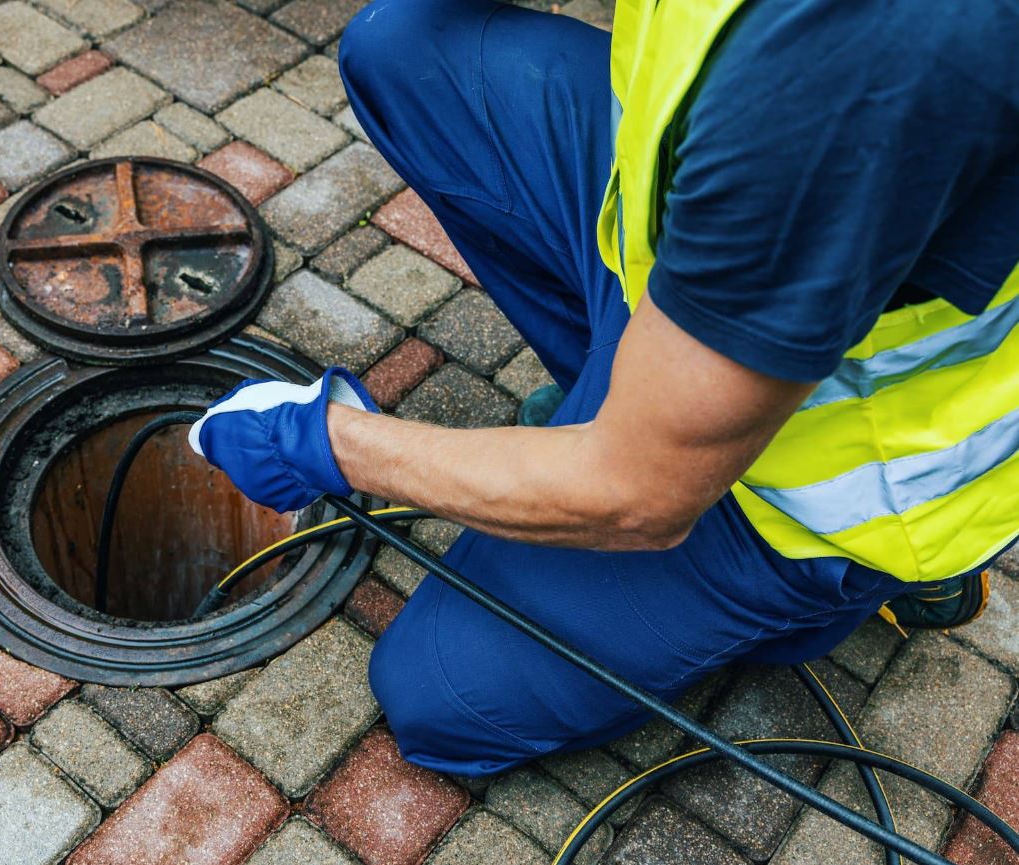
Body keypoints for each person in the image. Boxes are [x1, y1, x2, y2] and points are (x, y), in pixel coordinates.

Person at [189, 0, 1019, 777]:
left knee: (438, 693)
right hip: (703, 258)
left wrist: (332, 441)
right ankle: (637, 397)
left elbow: (639, 496)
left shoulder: (853, 63)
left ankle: (831, 599)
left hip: (811, 487)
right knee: (402, 46)